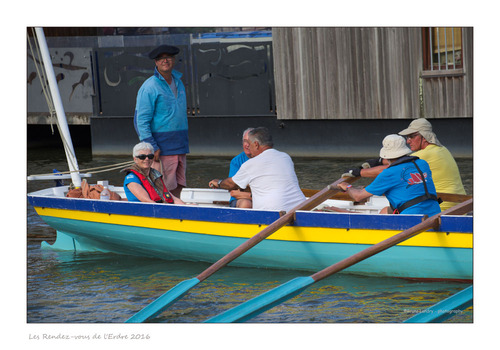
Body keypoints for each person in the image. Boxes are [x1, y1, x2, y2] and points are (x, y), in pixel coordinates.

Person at [343, 118, 466, 210]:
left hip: (444, 205)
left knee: (386, 210)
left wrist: (358, 172)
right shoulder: (440, 150)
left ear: (424, 136)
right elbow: (399, 162)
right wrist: (378, 161)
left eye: (412, 136)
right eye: (407, 137)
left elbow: (387, 169)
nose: (408, 141)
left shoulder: (424, 155)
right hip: (457, 203)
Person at [133, 44, 189, 198]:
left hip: (180, 145)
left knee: (179, 184)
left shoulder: (179, 82)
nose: (165, 60)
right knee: (164, 188)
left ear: (174, 59)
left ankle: (176, 213)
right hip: (162, 148)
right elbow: (140, 120)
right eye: (161, 58)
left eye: (169, 57)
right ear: (156, 62)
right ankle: (166, 216)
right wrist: (152, 146)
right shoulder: (149, 87)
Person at [338, 134, 441, 216]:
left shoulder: (388, 173)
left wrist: (348, 187)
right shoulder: (422, 164)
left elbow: (358, 196)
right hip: (435, 214)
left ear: (386, 157)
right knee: (385, 211)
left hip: (411, 219)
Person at [209, 127, 306, 212]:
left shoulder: (251, 164)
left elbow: (231, 184)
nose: (249, 148)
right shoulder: (285, 157)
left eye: (249, 144)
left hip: (272, 214)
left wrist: (218, 182)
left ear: (256, 144)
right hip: (300, 209)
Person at [227, 128, 254, 208]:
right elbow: (234, 193)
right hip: (241, 200)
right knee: (246, 203)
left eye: (250, 141)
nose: (247, 144)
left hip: (260, 198)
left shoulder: (264, 159)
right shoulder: (236, 161)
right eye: (245, 141)